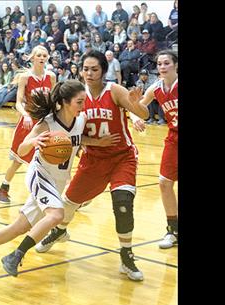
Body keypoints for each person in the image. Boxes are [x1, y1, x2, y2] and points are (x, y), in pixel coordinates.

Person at [0, 80, 118, 276]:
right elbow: (22, 149)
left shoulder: (80, 120)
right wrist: (34, 141)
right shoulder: (48, 122)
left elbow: (77, 139)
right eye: (79, 102)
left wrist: (99, 142)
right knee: (56, 215)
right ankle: (15, 256)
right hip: (40, 175)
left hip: (58, 181)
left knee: (19, 227)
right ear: (64, 102)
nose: (83, 105)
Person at [35, 50, 149, 281]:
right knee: (68, 205)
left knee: (123, 203)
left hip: (121, 157)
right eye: (85, 69)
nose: (89, 73)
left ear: (103, 71)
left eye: (94, 69)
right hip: (93, 159)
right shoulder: (77, 94)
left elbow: (144, 113)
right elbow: (69, 129)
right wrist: (93, 142)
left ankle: (126, 255)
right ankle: (59, 231)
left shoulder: (114, 91)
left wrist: (136, 107)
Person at [0, 46, 56, 203]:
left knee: (50, 158)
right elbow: (19, 103)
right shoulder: (25, 78)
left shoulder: (51, 76)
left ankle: (55, 193)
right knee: (18, 161)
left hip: (46, 121)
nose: (42, 58)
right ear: (33, 58)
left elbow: (55, 99)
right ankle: (3, 187)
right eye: (39, 55)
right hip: (28, 123)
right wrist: (26, 115)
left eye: (44, 55)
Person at [134, 50, 178, 248]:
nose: (162, 67)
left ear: (175, 65)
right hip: (174, 138)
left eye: (166, 63)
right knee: (164, 182)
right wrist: (135, 117)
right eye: (159, 64)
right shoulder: (156, 88)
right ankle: (173, 229)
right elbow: (138, 106)